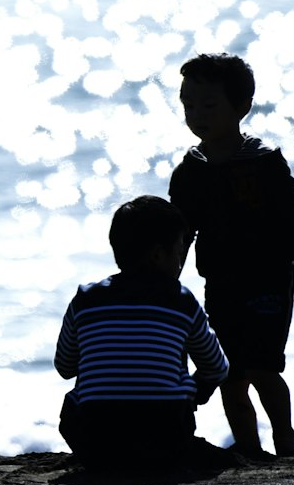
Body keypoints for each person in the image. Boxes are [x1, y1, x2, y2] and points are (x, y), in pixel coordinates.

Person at [169, 52, 294, 458]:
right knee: (229, 372)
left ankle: (285, 440)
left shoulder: (265, 162)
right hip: (220, 282)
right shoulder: (190, 170)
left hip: (269, 279)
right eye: (188, 105)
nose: (196, 115)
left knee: (263, 367)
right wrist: (165, 285)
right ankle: (249, 449)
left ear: (242, 107)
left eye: (208, 105)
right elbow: (180, 235)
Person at [54, 195, 228, 470]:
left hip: (95, 441)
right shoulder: (181, 301)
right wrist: (195, 390)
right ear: (158, 254)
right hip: (166, 437)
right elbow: (217, 368)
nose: (182, 260)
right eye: (179, 250)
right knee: (178, 383)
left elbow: (64, 367)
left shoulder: (85, 299)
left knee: (77, 400)